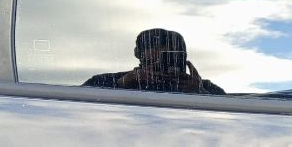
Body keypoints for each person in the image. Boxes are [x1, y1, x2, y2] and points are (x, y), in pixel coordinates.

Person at [84, 28, 225, 94]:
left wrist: (200, 92)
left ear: (183, 56)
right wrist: (121, 84)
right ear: (138, 54)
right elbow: (78, 107)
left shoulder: (206, 87)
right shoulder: (101, 81)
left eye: (170, 55)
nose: (162, 62)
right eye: (152, 49)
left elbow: (228, 119)